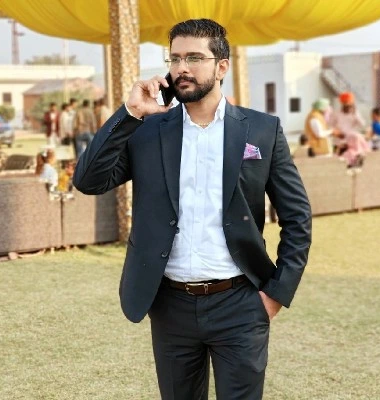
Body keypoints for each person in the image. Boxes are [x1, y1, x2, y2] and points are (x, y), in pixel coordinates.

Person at [73, 19, 311, 400]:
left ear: (222, 66)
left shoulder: (262, 130)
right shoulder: (148, 129)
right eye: (175, 58)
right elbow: (88, 180)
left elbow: (297, 217)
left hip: (240, 303)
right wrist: (130, 113)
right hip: (171, 306)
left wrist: (276, 293)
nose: (181, 68)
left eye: (194, 58)